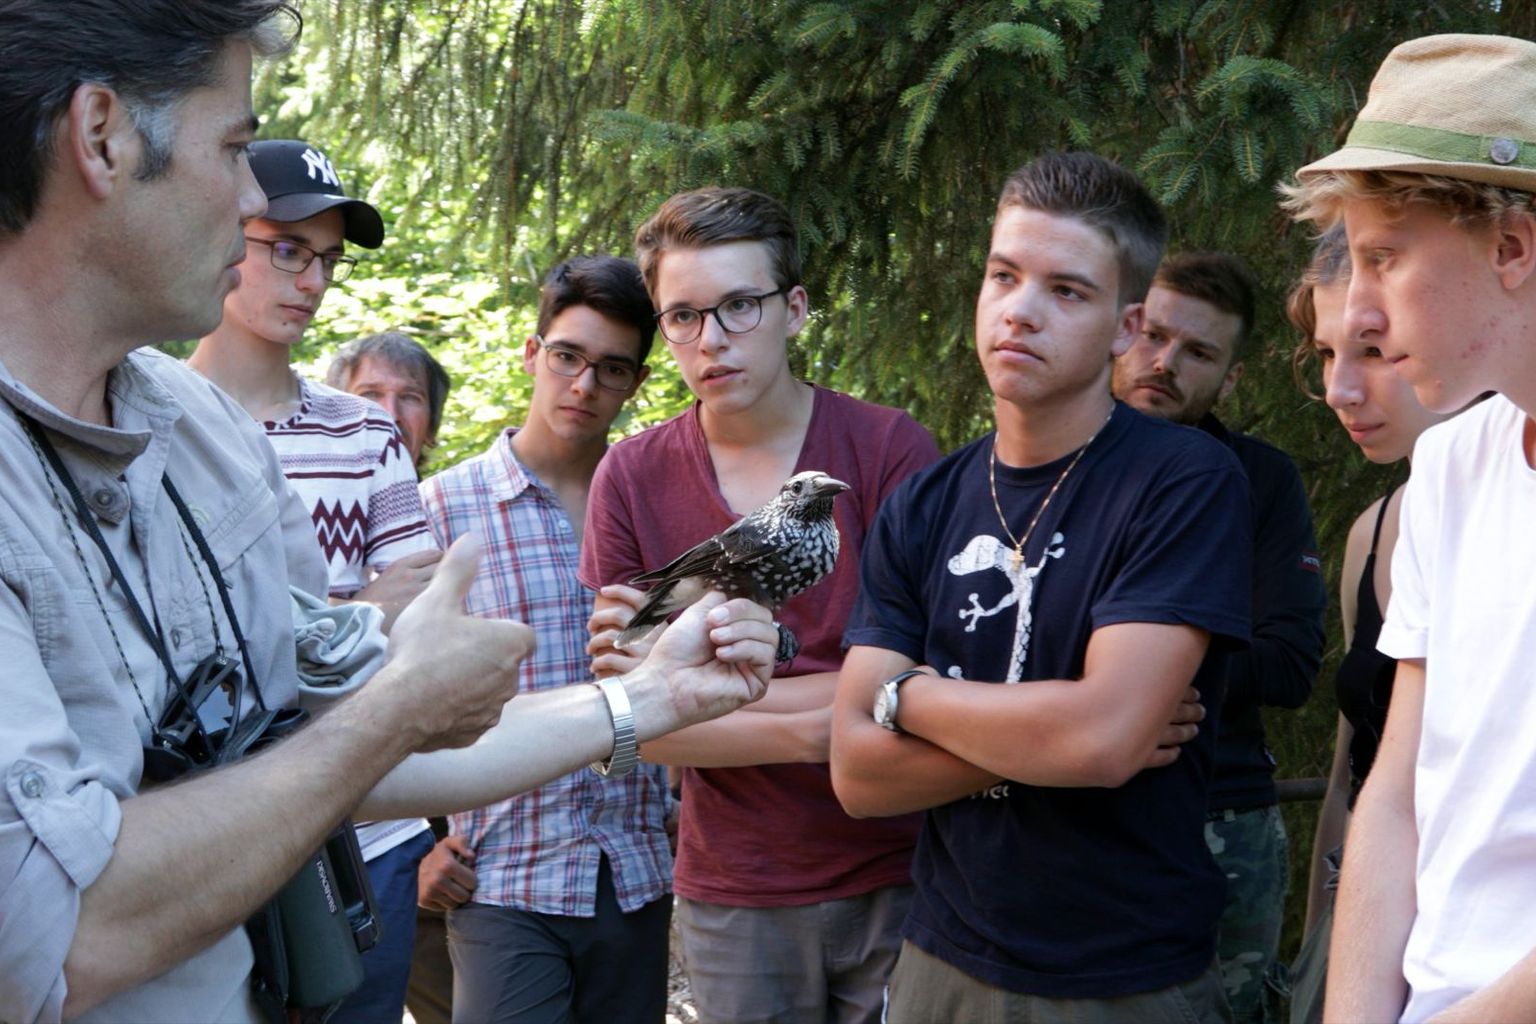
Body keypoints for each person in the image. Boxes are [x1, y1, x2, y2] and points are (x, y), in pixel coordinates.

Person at [0, 4, 781, 1021]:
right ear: (101, 134)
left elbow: (346, 750)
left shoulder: (205, 436)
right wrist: (399, 703)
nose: (247, 198)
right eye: (235, 145)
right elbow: (55, 939)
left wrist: (649, 702)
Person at [830, 151, 1251, 1023]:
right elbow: (858, 774)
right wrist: (1066, 728)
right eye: (1003, 275)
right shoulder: (922, 503)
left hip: (1125, 978)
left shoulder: (1184, 482)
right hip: (940, 965)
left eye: (1066, 291)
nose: (1020, 311)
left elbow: (1099, 742)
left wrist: (904, 697)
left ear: (1127, 328)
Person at [579, 186, 941, 1024]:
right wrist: (841, 714)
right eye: (682, 316)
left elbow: (931, 679)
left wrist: (702, 707)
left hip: (901, 872)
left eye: (741, 305)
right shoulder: (631, 478)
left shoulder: (889, 451)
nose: (711, 340)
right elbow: (631, 715)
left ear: (795, 308)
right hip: (736, 889)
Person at [1282, 32, 1536, 1024]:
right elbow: (1396, 793)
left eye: (1383, 257)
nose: (1365, 313)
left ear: (1511, 247)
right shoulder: (1450, 469)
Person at [188, 137, 442, 1024]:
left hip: (374, 828)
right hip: (214, 838)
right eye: (287, 249)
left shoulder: (362, 435)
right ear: (222, 226)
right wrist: (355, 615)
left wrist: (318, 633)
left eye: (326, 259)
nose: (312, 280)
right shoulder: (148, 428)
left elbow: (421, 623)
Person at [415, 255, 669, 1024]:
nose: (584, 386)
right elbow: (396, 691)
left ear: (634, 385)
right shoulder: (442, 509)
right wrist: (419, 842)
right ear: (533, 353)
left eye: (612, 369)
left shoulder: (657, 507)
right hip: (503, 877)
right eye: (568, 356)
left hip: (637, 871)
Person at [1111, 252, 1327, 1024]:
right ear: (1120, 329)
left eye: (1198, 352)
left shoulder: (1259, 482)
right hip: (1059, 815)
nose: (1165, 363)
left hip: (1222, 819)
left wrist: (1126, 682)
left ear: (1230, 378)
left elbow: (1290, 665)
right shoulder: (1042, 466)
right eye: (1154, 335)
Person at [1281, 229, 1453, 1024]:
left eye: (1374, 351)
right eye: (1323, 354)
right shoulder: (1372, 535)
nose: (1341, 390)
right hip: (1367, 944)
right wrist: (1324, 943)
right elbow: (1359, 767)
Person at [327, 330, 451, 470]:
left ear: (431, 428)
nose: (391, 415)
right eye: (370, 395)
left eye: (409, 397)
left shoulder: (444, 491)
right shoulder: (299, 490)